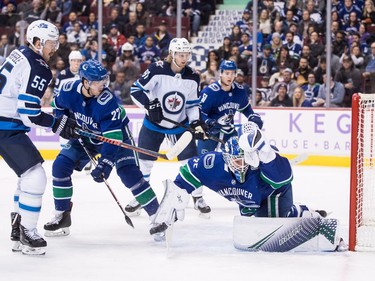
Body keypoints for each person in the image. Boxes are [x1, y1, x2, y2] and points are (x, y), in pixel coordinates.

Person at [43, 59, 164, 241]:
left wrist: (105, 164)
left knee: (128, 173)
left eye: (104, 81)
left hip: (116, 137)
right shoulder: (68, 90)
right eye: (97, 82)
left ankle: (158, 216)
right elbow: (57, 107)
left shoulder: (107, 101)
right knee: (60, 166)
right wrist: (64, 122)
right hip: (86, 137)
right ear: (85, 82)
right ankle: (62, 215)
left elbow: (112, 138)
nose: (103, 85)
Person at [150, 121, 327, 236]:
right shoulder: (213, 164)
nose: (241, 165)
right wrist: (177, 194)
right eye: (236, 160)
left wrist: (266, 153)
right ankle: (295, 211)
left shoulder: (260, 163)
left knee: (273, 223)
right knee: (252, 227)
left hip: (273, 193)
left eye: (244, 159)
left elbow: (284, 178)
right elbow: (189, 171)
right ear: (226, 158)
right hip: (249, 201)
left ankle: (303, 213)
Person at [0, 20, 77, 255]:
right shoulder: (39, 67)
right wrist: (58, 123)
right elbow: (29, 112)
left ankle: (17, 230)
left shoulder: (19, 53)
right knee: (35, 176)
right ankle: (27, 231)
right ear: (36, 42)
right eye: (50, 43)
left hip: (5, 123)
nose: (54, 48)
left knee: (27, 175)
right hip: (5, 126)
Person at [127, 38, 208, 216]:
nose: (184, 58)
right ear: (172, 54)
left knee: (191, 163)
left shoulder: (193, 76)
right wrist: (150, 106)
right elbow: (136, 90)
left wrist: (195, 122)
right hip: (154, 124)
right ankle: (142, 197)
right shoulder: (157, 69)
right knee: (145, 163)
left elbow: (193, 104)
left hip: (179, 127)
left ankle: (198, 197)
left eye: (187, 54)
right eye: (180, 54)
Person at [198, 60, 263, 157]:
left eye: (232, 73)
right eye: (227, 73)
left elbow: (245, 108)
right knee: (202, 161)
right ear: (221, 73)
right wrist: (208, 122)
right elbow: (199, 113)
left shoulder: (240, 91)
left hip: (228, 132)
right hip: (209, 132)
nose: (230, 76)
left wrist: (252, 116)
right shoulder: (210, 92)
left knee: (238, 159)